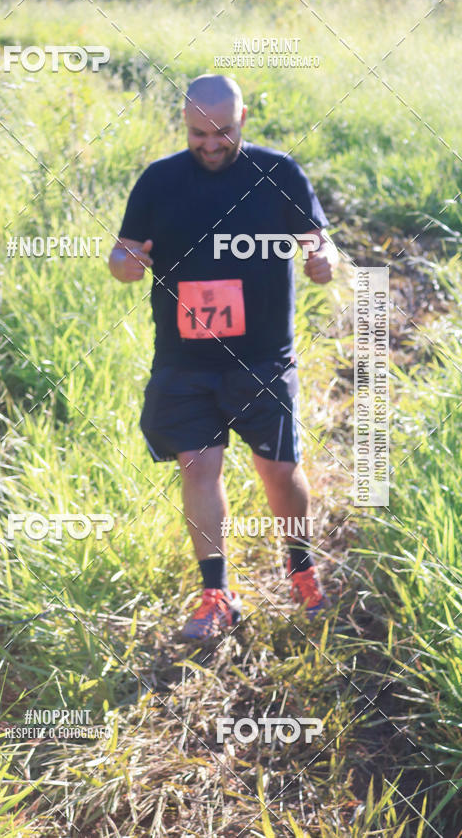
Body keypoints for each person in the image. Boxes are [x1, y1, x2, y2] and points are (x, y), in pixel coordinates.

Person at [109, 74, 338, 641]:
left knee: (280, 472)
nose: (210, 144)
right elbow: (123, 250)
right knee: (198, 467)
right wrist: (123, 263)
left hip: (262, 357)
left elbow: (318, 238)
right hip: (184, 358)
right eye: (197, 134)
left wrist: (321, 258)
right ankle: (217, 594)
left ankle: (301, 568)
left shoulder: (278, 172)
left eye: (223, 132)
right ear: (183, 125)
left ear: (242, 121)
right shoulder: (159, 181)